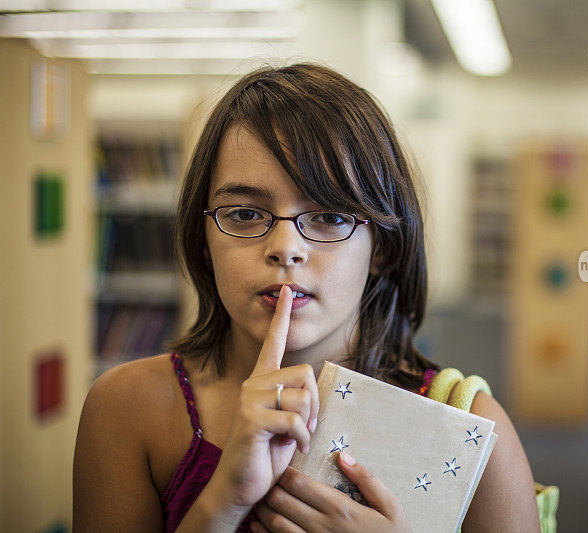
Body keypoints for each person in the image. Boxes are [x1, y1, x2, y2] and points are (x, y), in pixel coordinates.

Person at [73, 63, 540, 532]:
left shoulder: (469, 429)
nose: (285, 248)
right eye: (244, 213)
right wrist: (224, 502)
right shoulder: (129, 408)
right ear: (203, 238)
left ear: (382, 246)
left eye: (330, 217)